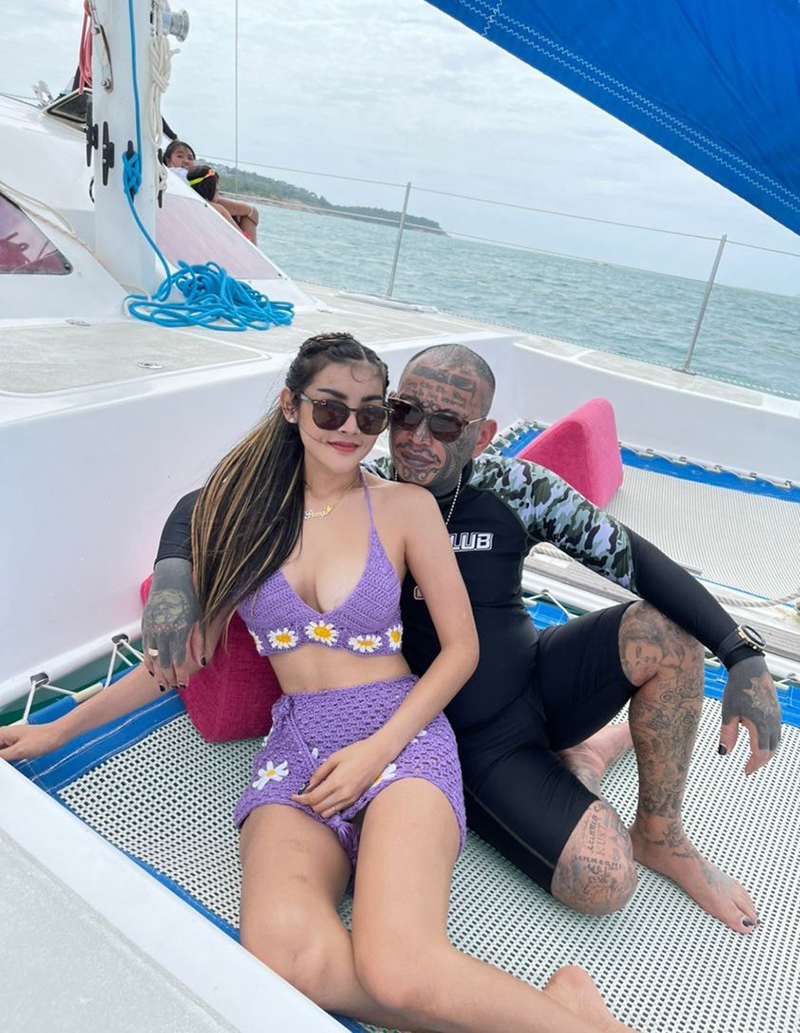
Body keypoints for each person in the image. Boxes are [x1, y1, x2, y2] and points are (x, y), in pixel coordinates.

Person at [0, 334, 638, 1033]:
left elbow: (460, 652)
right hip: (299, 745)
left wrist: (377, 751)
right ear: (291, 406)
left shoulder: (404, 507)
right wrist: (55, 731)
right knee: (284, 961)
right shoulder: (244, 523)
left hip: (400, 735)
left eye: (370, 414)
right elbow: (177, 663)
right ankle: (557, 1013)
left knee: (397, 968)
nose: (350, 429)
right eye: (331, 409)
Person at [145, 341, 781, 939]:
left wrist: (741, 654)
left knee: (665, 631)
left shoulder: (518, 490)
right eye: (404, 414)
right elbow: (210, 502)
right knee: (602, 881)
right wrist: (175, 572)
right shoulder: (363, 486)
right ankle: (584, 758)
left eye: (446, 425)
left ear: (482, 436)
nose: (418, 439)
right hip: (463, 735)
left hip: (535, 678)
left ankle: (661, 833)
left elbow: (636, 561)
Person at [163, 140, 260, 244]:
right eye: (180, 156)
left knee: (247, 213)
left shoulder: (184, 178)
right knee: (252, 212)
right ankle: (250, 246)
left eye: (190, 158)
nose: (186, 161)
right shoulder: (176, 174)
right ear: (168, 161)